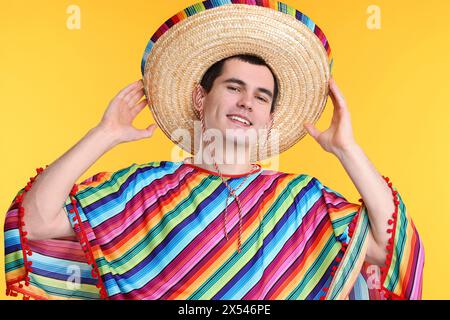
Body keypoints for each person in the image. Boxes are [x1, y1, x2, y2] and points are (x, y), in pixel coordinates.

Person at [4, 0, 424, 300]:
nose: (247, 102)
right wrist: (104, 134)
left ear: (269, 118)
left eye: (262, 97)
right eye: (234, 87)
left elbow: (392, 251)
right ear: (200, 98)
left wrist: (347, 150)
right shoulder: (141, 190)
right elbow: (34, 223)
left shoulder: (303, 200)